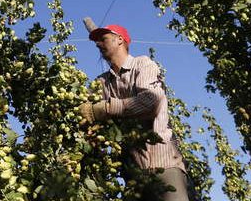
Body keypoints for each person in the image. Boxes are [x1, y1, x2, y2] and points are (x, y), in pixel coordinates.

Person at [79, 24, 191, 201]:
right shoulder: (101, 83)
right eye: (96, 42)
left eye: (103, 39)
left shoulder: (143, 64)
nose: (98, 44)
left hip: (164, 165)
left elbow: (150, 102)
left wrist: (104, 109)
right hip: (133, 175)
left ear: (120, 40)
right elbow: (82, 110)